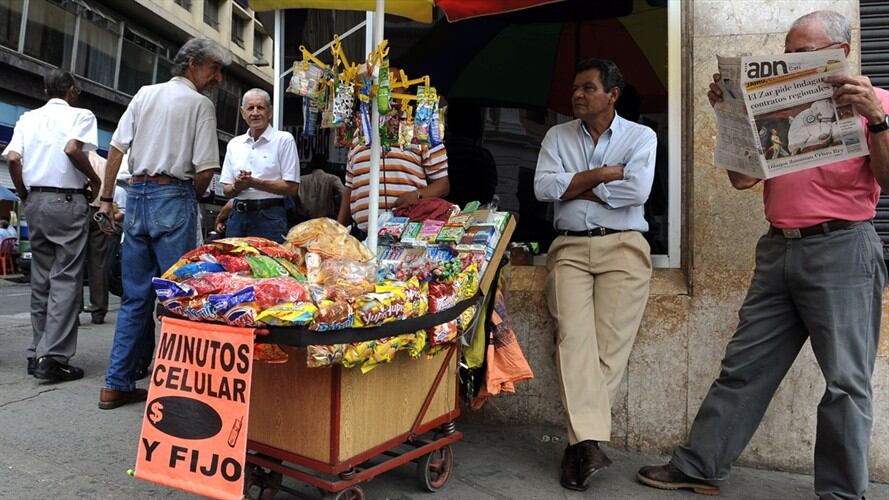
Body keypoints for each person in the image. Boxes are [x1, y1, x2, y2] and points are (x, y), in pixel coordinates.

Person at [637, 11, 889, 500]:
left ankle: (841, 493)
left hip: (842, 249)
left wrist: (878, 122)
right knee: (745, 365)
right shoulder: (774, 103)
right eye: (788, 52)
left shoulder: (876, 104)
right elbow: (742, 180)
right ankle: (700, 465)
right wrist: (730, 113)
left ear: (839, 52)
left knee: (845, 382)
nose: (791, 61)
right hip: (778, 249)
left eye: (803, 54)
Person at [533, 58, 656, 492]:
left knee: (608, 349)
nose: (577, 95)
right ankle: (587, 443)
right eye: (575, 89)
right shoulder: (556, 136)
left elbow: (638, 191)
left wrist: (577, 184)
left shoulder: (642, 136)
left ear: (613, 94)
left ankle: (577, 446)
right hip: (568, 247)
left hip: (624, 246)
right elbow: (543, 189)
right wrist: (604, 175)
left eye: (587, 88)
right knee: (572, 340)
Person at [95, 38, 230, 410]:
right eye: (214, 68)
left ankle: (115, 383)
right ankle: (179, 388)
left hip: (136, 196)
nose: (218, 77)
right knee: (181, 296)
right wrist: (193, 195)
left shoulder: (144, 94)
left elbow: (117, 148)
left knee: (136, 298)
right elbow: (205, 171)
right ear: (191, 64)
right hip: (174, 195)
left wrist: (107, 199)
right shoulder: (200, 105)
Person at [1, 69, 101, 382]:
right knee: (66, 279)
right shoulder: (82, 115)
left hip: (36, 202)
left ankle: (36, 351)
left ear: (46, 89)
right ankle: (53, 358)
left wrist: (23, 193)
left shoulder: (27, 119)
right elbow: (73, 149)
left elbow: (14, 159)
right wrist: (96, 180)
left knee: (41, 279)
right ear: (72, 90)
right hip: (67, 201)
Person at [337, 119, 450, 236]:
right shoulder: (358, 135)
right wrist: (337, 231)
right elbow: (350, 188)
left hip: (407, 233)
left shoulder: (421, 130)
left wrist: (417, 195)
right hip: (365, 237)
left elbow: (443, 184)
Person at [220, 88, 299, 243]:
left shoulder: (283, 140)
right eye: (250, 108)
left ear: (269, 112)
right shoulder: (234, 144)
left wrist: (254, 182)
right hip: (237, 217)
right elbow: (226, 190)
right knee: (235, 265)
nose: (255, 112)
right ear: (243, 113)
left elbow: (292, 187)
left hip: (270, 217)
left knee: (268, 265)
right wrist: (238, 186)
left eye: (260, 107)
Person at [443, 100, 497, 209]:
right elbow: (488, 194)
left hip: (440, 215)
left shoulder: (439, 154)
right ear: (476, 124)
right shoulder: (482, 156)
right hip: (473, 216)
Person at [83, 151, 113, 324]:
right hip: (101, 211)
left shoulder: (79, 159)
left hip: (80, 209)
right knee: (98, 263)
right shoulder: (105, 163)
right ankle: (99, 311)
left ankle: (74, 309)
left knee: (75, 262)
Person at [295, 153, 345, 221]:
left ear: (311, 164)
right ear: (325, 164)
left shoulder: (301, 180)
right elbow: (344, 194)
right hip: (327, 220)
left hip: (304, 220)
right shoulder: (333, 179)